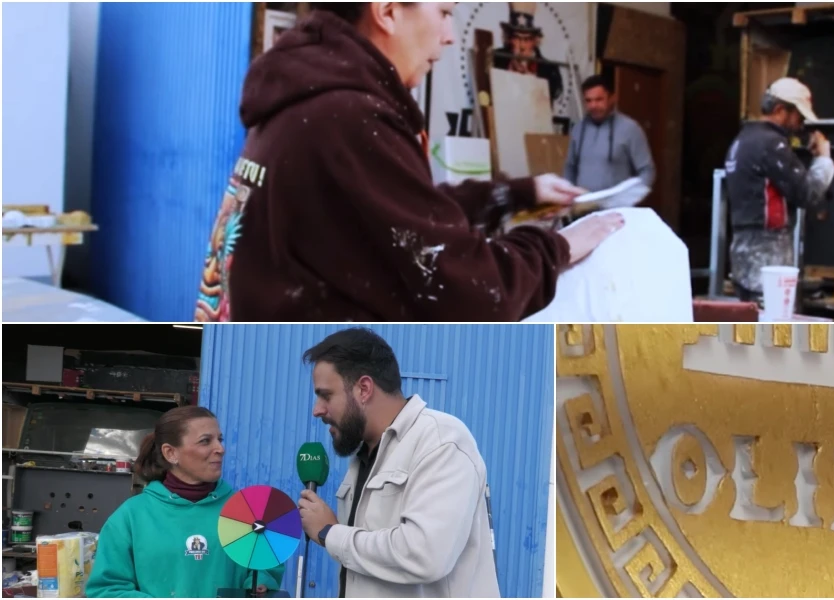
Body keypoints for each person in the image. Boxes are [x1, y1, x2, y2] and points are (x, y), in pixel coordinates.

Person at [194, 3, 622, 323]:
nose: (450, 36)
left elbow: (403, 213)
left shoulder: (309, 99)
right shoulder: (348, 118)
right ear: (388, 11)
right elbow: (474, 293)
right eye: (444, 13)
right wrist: (559, 245)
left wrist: (519, 194)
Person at [296, 328, 499, 598]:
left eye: (326, 395)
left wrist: (331, 533)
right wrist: (334, 534)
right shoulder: (363, 460)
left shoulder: (440, 441)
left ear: (364, 389)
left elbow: (425, 554)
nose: (317, 410)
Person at [86, 407, 284, 598]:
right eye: (205, 441)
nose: (221, 449)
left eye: (220, 440)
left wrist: (259, 584)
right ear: (171, 453)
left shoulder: (247, 510)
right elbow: (107, 589)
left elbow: (266, 569)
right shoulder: (131, 516)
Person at [723, 77, 834, 302]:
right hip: (767, 254)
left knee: (750, 323)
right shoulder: (771, 144)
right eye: (799, 115)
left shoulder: (743, 140)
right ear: (780, 110)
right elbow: (808, 193)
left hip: (743, 252)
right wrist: (823, 158)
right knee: (771, 327)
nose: (802, 123)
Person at [564, 75, 656, 193]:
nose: (593, 106)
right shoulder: (578, 129)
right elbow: (570, 168)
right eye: (588, 100)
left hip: (615, 208)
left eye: (599, 99)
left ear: (612, 98)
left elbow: (647, 171)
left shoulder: (630, 129)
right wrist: (568, 194)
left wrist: (630, 198)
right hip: (583, 207)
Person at [492, 2, 563, 107]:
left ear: (534, 41)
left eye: (526, 39)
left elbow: (553, 95)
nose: (522, 46)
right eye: (517, 38)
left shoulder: (549, 69)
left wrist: (532, 82)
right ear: (510, 39)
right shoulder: (496, 58)